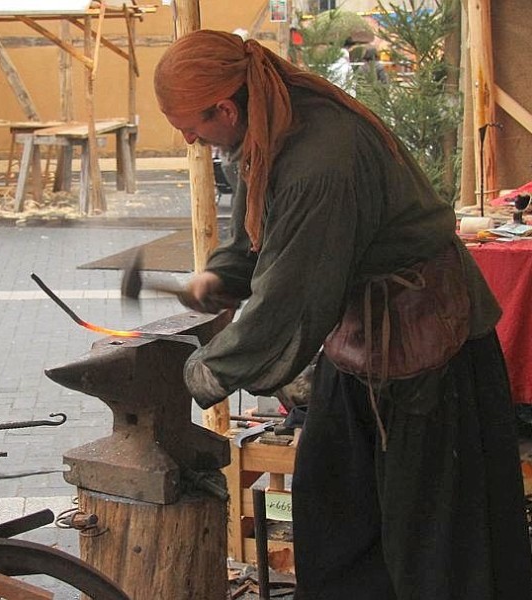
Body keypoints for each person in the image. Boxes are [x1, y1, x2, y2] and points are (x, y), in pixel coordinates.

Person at [154, 30, 532, 599]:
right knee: (334, 520)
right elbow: (262, 234)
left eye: (190, 124)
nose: (186, 137)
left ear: (226, 108)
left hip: (430, 359)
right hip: (362, 350)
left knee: (437, 547)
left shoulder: (322, 157)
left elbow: (292, 298)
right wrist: (222, 275)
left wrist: (201, 372)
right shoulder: (265, 133)